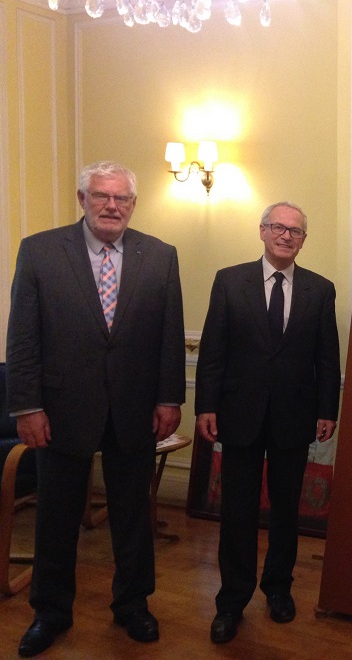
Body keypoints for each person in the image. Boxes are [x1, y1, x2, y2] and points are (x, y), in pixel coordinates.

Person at [5, 161, 186, 657]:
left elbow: (170, 335)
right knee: (56, 518)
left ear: (133, 205)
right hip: (60, 411)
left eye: (121, 198)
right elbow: (22, 338)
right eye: (101, 196)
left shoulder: (160, 255)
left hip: (135, 411)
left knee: (133, 517)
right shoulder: (40, 251)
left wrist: (169, 399)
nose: (111, 205)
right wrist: (27, 407)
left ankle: (133, 604)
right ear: (82, 199)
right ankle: (50, 612)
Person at [194, 201, 341, 645]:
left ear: (303, 240)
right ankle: (231, 601)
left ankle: (278, 589)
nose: (286, 236)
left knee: (285, 509)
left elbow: (327, 358)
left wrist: (328, 410)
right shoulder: (229, 281)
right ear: (262, 231)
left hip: (294, 417)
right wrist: (206, 406)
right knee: (237, 511)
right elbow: (213, 350)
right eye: (278, 227)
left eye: (295, 231)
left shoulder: (320, 289)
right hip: (239, 414)